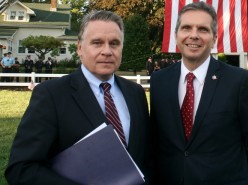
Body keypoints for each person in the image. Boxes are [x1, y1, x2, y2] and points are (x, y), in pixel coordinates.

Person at [5, 10, 151, 185]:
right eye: (97, 43)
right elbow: (21, 168)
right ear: (80, 48)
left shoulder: (135, 93)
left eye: (114, 43)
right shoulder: (51, 95)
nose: (107, 51)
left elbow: (144, 157)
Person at [150, 1, 248, 185]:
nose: (193, 35)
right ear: (176, 35)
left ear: (214, 39)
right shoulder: (159, 81)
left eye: (203, 29)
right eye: (186, 28)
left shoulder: (238, 81)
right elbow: (156, 141)